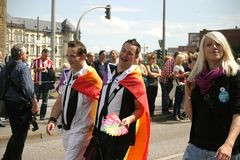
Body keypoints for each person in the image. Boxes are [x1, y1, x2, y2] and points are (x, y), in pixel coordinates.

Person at [88, 39, 150, 160]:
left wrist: (129, 119)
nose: (124, 55)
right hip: (100, 130)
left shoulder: (135, 80)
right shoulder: (109, 72)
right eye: (123, 50)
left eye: (130, 53)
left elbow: (140, 109)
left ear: (136, 57)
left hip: (117, 132)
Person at [183, 31, 240, 160]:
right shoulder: (197, 77)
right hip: (195, 149)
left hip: (222, 152)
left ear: (224, 47)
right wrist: (188, 92)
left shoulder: (234, 75)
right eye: (209, 44)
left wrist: (228, 144)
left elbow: (238, 114)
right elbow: (193, 117)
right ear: (203, 50)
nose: (214, 47)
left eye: (218, 44)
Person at [46, 40, 102, 160]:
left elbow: (103, 102)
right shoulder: (67, 74)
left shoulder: (92, 77)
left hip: (82, 131)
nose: (69, 59)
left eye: (72, 56)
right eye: (68, 56)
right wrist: (52, 119)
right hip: (66, 130)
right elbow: (59, 100)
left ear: (83, 56)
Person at [1, 44, 39, 160]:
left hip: (9, 104)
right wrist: (35, 104)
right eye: (26, 53)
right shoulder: (22, 67)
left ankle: (7, 157)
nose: (27, 55)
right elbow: (28, 89)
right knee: (20, 137)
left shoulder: (6, 67)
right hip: (21, 107)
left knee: (16, 133)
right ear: (20, 55)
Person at [31, 48, 55, 120]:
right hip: (37, 83)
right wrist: (38, 69)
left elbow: (53, 73)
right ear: (42, 54)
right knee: (36, 99)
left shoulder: (50, 62)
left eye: (47, 56)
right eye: (44, 56)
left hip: (46, 84)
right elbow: (31, 70)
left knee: (45, 101)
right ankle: (34, 114)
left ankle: (42, 115)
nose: (45, 58)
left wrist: (48, 69)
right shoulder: (35, 61)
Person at [145, 52, 161, 117]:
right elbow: (150, 74)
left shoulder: (156, 66)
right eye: (153, 58)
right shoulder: (147, 66)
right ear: (149, 59)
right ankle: (148, 113)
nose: (154, 59)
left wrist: (155, 75)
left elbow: (160, 74)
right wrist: (156, 74)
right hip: (149, 85)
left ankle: (152, 112)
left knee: (153, 99)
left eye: (155, 58)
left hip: (155, 84)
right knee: (149, 99)